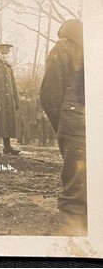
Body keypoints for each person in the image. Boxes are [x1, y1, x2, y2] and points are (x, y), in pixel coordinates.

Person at [40, 19, 86, 236]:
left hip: (77, 125)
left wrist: (64, 126)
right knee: (79, 192)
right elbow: (50, 95)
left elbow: (50, 95)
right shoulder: (66, 46)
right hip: (80, 125)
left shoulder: (64, 47)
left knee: (77, 192)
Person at [0, 43, 21, 156]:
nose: (4, 55)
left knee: (8, 122)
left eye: (6, 54)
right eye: (2, 53)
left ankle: (7, 147)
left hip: (9, 99)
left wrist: (16, 100)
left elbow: (13, 85)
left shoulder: (8, 67)